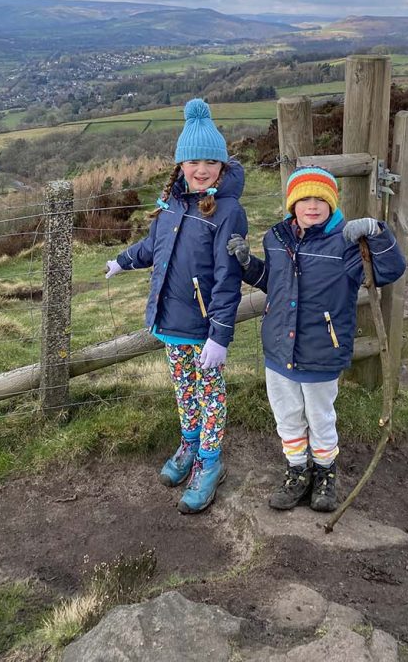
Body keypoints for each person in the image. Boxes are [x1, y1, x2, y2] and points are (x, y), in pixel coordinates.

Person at [227, 166, 405, 513]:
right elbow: (272, 281)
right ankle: (296, 470)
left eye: (320, 199)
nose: (312, 205)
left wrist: (376, 232)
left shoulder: (347, 245)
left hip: (321, 351)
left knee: (320, 417)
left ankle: (325, 473)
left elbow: (390, 270)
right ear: (292, 204)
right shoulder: (276, 239)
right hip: (279, 351)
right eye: (304, 198)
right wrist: (248, 265)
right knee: (288, 415)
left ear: (331, 203)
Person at [105, 99, 247, 514]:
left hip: (204, 328)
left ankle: (209, 462)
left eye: (209, 161)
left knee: (210, 394)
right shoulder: (171, 205)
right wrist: (122, 261)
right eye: (192, 161)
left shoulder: (228, 212)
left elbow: (227, 277)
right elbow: (154, 247)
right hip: (170, 320)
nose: (200, 169)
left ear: (221, 166)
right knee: (184, 390)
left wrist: (220, 336)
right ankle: (188, 445)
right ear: (180, 165)